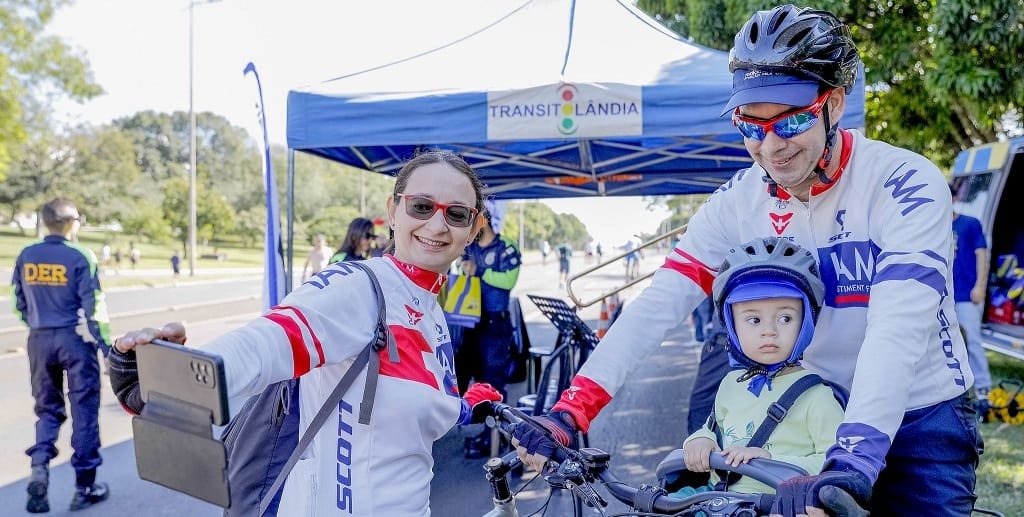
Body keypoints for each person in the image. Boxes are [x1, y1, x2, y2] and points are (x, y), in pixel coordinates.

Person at [511, 6, 979, 517]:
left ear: (835, 103)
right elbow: (659, 304)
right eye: (750, 125)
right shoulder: (738, 200)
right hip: (804, 414)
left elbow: (898, 330)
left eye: (792, 120)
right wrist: (571, 410)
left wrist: (854, 458)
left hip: (918, 413)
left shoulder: (904, 181)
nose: (771, 146)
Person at [108, 151, 503, 516]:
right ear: (394, 210)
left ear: (473, 229)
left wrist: (465, 406)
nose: (437, 224)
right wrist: (163, 382)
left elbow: (408, 416)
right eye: (421, 206)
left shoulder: (430, 308)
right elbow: (265, 344)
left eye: (456, 214)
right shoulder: (359, 287)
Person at [680, 237, 844, 497]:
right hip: (720, 501)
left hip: (779, 506)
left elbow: (837, 463)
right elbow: (713, 428)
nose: (769, 331)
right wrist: (700, 440)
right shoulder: (730, 384)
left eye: (785, 318)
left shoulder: (817, 397)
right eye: (753, 320)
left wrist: (771, 460)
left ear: (806, 322)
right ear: (732, 326)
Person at [11, 198, 112, 513]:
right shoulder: (80, 255)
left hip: (39, 340)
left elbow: (18, 301)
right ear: (71, 223)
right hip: (75, 341)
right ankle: (85, 487)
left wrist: (38, 325)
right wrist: (107, 347)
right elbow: (94, 306)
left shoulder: (27, 255)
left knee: (47, 410)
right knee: (84, 412)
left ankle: (40, 465)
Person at [455, 200, 522, 458]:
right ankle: (483, 429)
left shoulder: (507, 247)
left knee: (494, 380)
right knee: (473, 378)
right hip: (470, 323)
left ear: (484, 221)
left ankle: (497, 438)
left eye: (473, 222)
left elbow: (509, 280)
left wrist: (479, 270)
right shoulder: (468, 247)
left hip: (496, 324)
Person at [951, 185, 992, 416]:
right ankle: (956, 394)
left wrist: (980, 286)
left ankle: (984, 391)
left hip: (967, 294)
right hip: (942, 297)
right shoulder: (933, 224)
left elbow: (982, 255)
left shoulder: (970, 223)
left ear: (955, 198)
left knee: (973, 343)